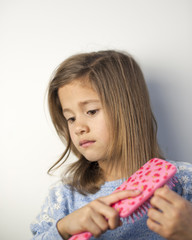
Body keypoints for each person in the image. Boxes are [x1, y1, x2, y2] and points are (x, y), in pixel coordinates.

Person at [31, 50, 192, 240]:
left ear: (128, 109)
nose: (78, 128)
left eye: (91, 111)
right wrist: (63, 229)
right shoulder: (63, 198)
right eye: (71, 118)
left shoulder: (184, 181)